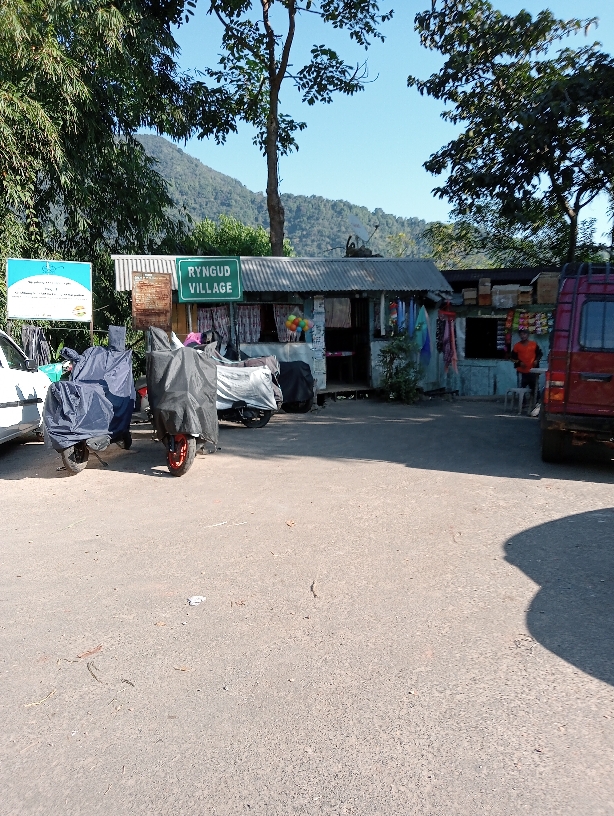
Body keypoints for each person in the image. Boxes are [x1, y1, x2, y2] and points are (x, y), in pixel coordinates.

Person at [511, 329, 543, 395]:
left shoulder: (533, 344)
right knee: (521, 389)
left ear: (528, 335)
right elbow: (512, 357)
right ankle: (522, 401)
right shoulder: (517, 346)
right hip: (521, 371)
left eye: (524, 334)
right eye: (521, 334)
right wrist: (519, 362)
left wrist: (536, 360)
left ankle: (536, 401)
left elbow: (540, 354)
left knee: (535, 389)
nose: (523, 336)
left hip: (533, 371)